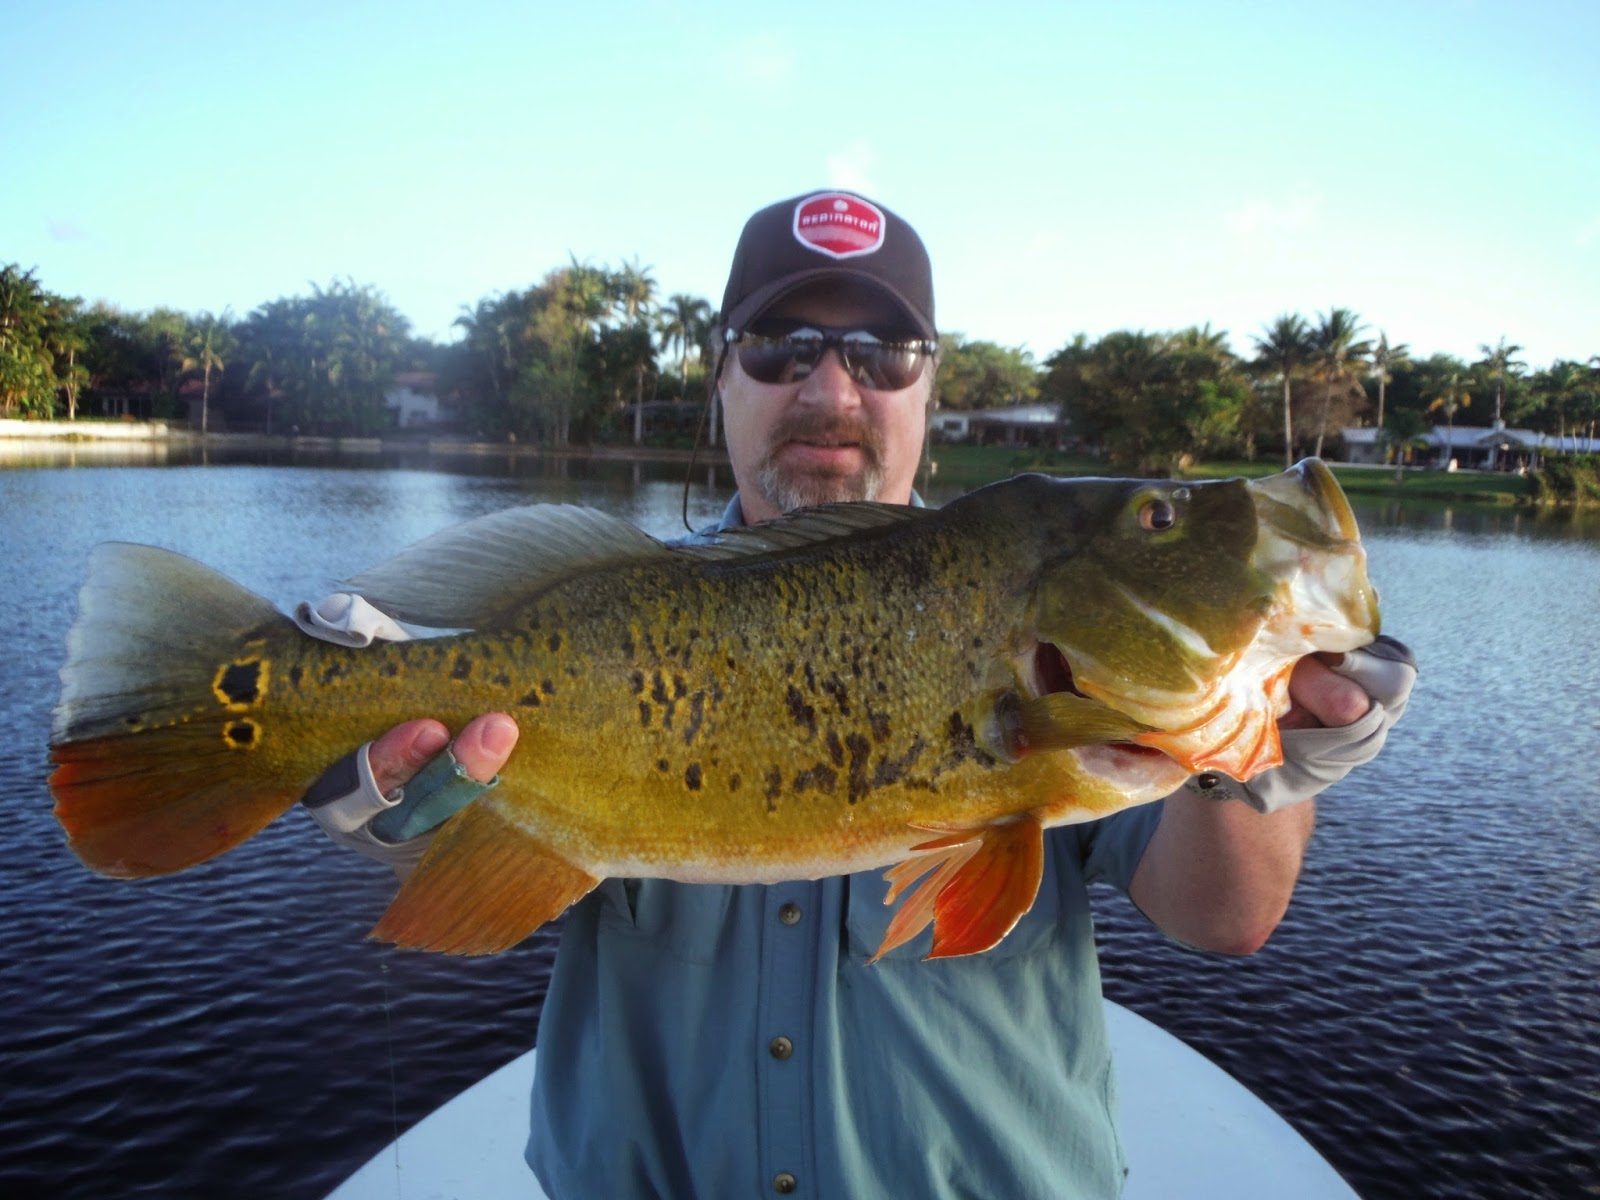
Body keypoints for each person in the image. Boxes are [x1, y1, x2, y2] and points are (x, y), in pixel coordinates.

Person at [302, 191, 1416, 1199]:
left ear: (929, 386)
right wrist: (399, 812)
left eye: (883, 351)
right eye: (783, 347)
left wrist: (1262, 755)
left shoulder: (1055, 644)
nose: (831, 389)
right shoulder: (604, 606)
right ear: (723, 378)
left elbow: (1224, 918)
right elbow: (480, 873)